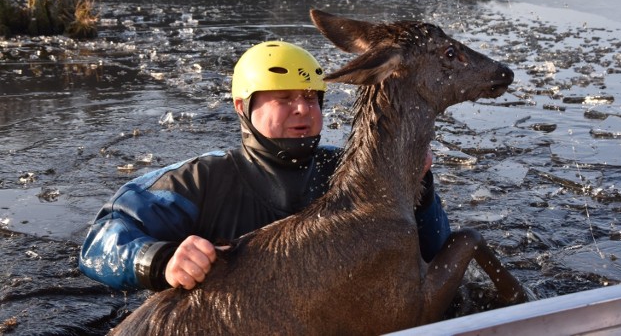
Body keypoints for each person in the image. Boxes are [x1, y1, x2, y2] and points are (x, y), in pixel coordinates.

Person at [78, 41, 451, 291]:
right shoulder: (201, 180)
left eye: (311, 98)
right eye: (284, 99)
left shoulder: (352, 171)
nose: (303, 109)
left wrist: (417, 189)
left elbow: (433, 249)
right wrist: (161, 260)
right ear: (243, 107)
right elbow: (99, 243)